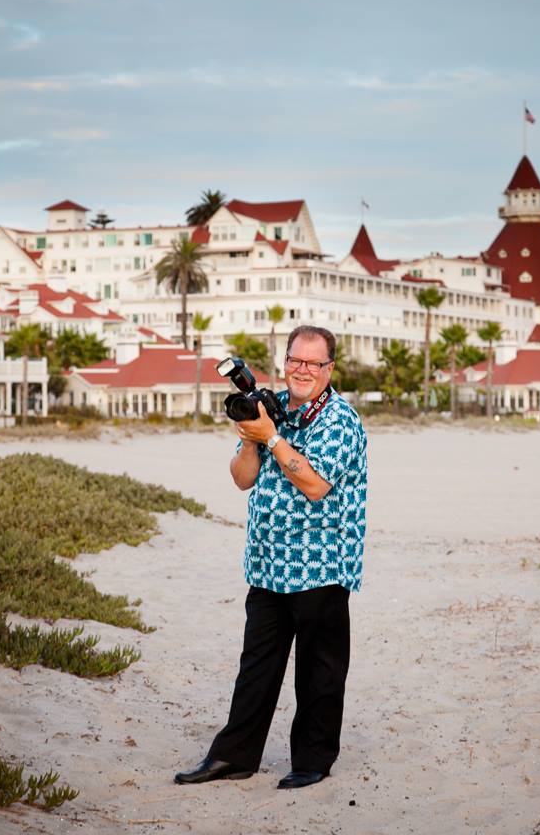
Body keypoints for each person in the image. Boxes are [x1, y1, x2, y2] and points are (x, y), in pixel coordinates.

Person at [175, 325, 367, 790]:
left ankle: (312, 761)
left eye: (313, 363)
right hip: (267, 564)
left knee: (319, 671)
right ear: (285, 362)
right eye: (295, 361)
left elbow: (317, 485)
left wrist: (273, 438)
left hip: (320, 566)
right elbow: (242, 479)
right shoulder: (269, 407)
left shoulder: (341, 420)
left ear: (329, 369)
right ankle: (234, 756)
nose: (303, 370)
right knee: (256, 667)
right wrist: (249, 437)